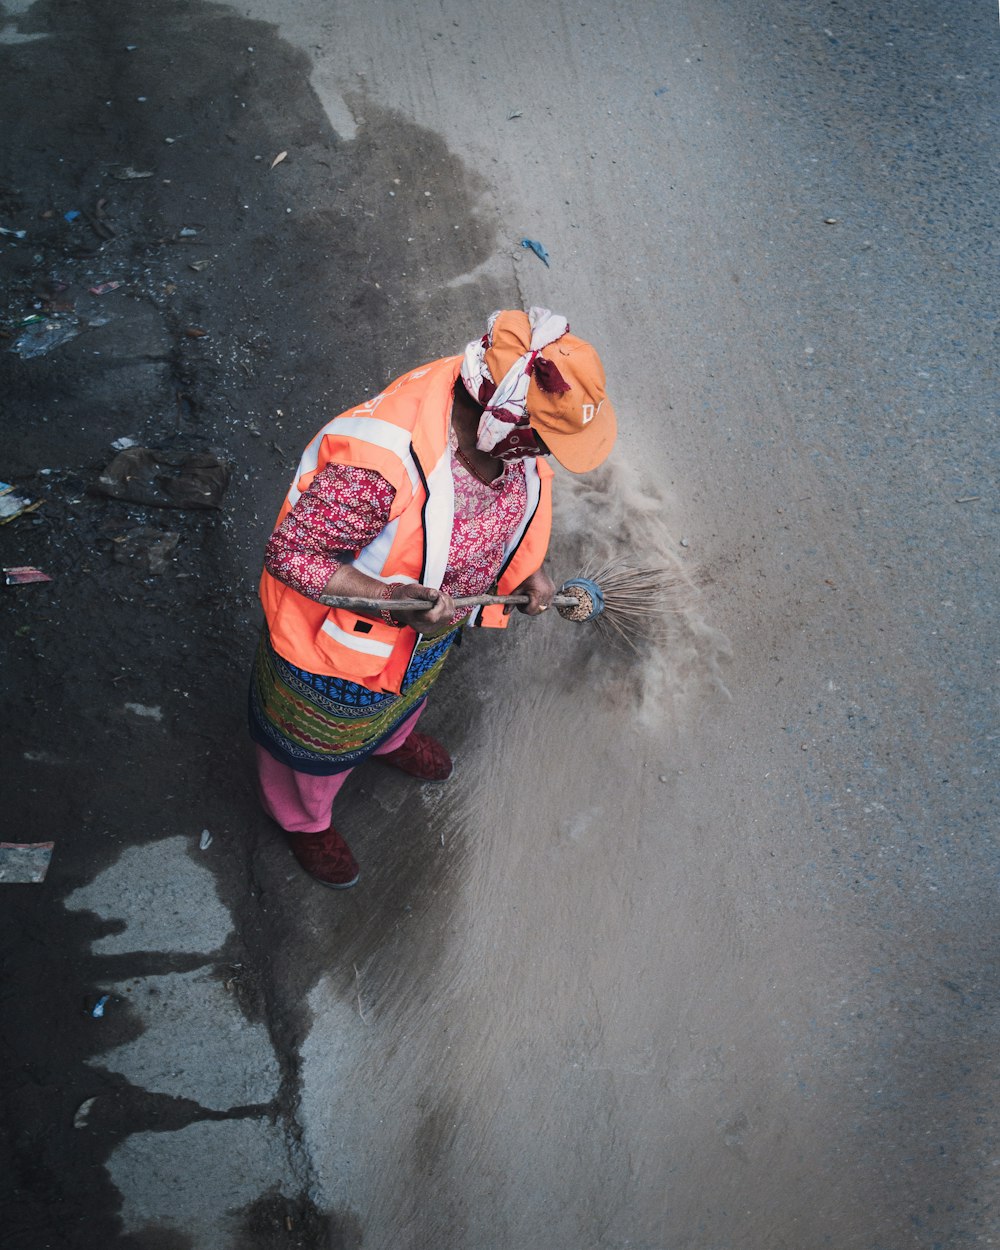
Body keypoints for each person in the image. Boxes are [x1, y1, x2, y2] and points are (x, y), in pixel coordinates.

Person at [250, 307, 617, 887]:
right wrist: (391, 601)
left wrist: (527, 572)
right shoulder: (377, 466)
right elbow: (292, 555)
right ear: (503, 423)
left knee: (405, 695)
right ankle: (304, 821)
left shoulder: (495, 402)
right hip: (337, 650)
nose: (547, 456)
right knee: (314, 749)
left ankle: (388, 739)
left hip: (427, 627)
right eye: (545, 440)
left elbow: (515, 505)